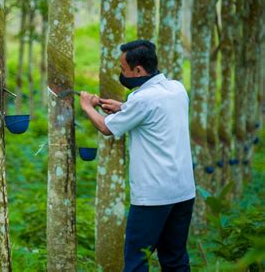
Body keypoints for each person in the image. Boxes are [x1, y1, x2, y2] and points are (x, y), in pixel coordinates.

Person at [79, 40, 196, 272]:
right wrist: (124, 108)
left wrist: (87, 107)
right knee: (175, 259)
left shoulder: (142, 99)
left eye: (123, 69)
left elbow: (106, 127)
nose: (122, 74)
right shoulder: (176, 89)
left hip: (153, 197)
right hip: (183, 192)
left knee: (136, 262)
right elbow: (154, 112)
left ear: (139, 70)